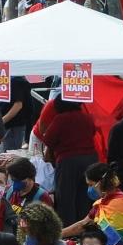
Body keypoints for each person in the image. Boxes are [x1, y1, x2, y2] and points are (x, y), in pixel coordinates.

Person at [43, 95, 99, 225]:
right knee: (85, 196)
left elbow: (48, 139)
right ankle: (85, 227)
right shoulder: (87, 117)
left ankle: (68, 230)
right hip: (90, 160)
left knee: (66, 198)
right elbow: (92, 132)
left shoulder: (60, 119)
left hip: (68, 161)